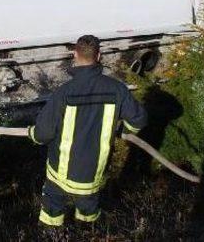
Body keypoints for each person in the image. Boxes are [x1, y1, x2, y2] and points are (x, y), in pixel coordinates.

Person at [28, 35, 148, 227]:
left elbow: (43, 134)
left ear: (75, 55)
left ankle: (53, 234)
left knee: (51, 213)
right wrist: (123, 131)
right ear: (99, 56)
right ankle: (87, 232)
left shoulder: (63, 92)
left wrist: (32, 133)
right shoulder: (117, 89)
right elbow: (139, 120)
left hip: (60, 176)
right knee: (88, 216)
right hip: (93, 176)